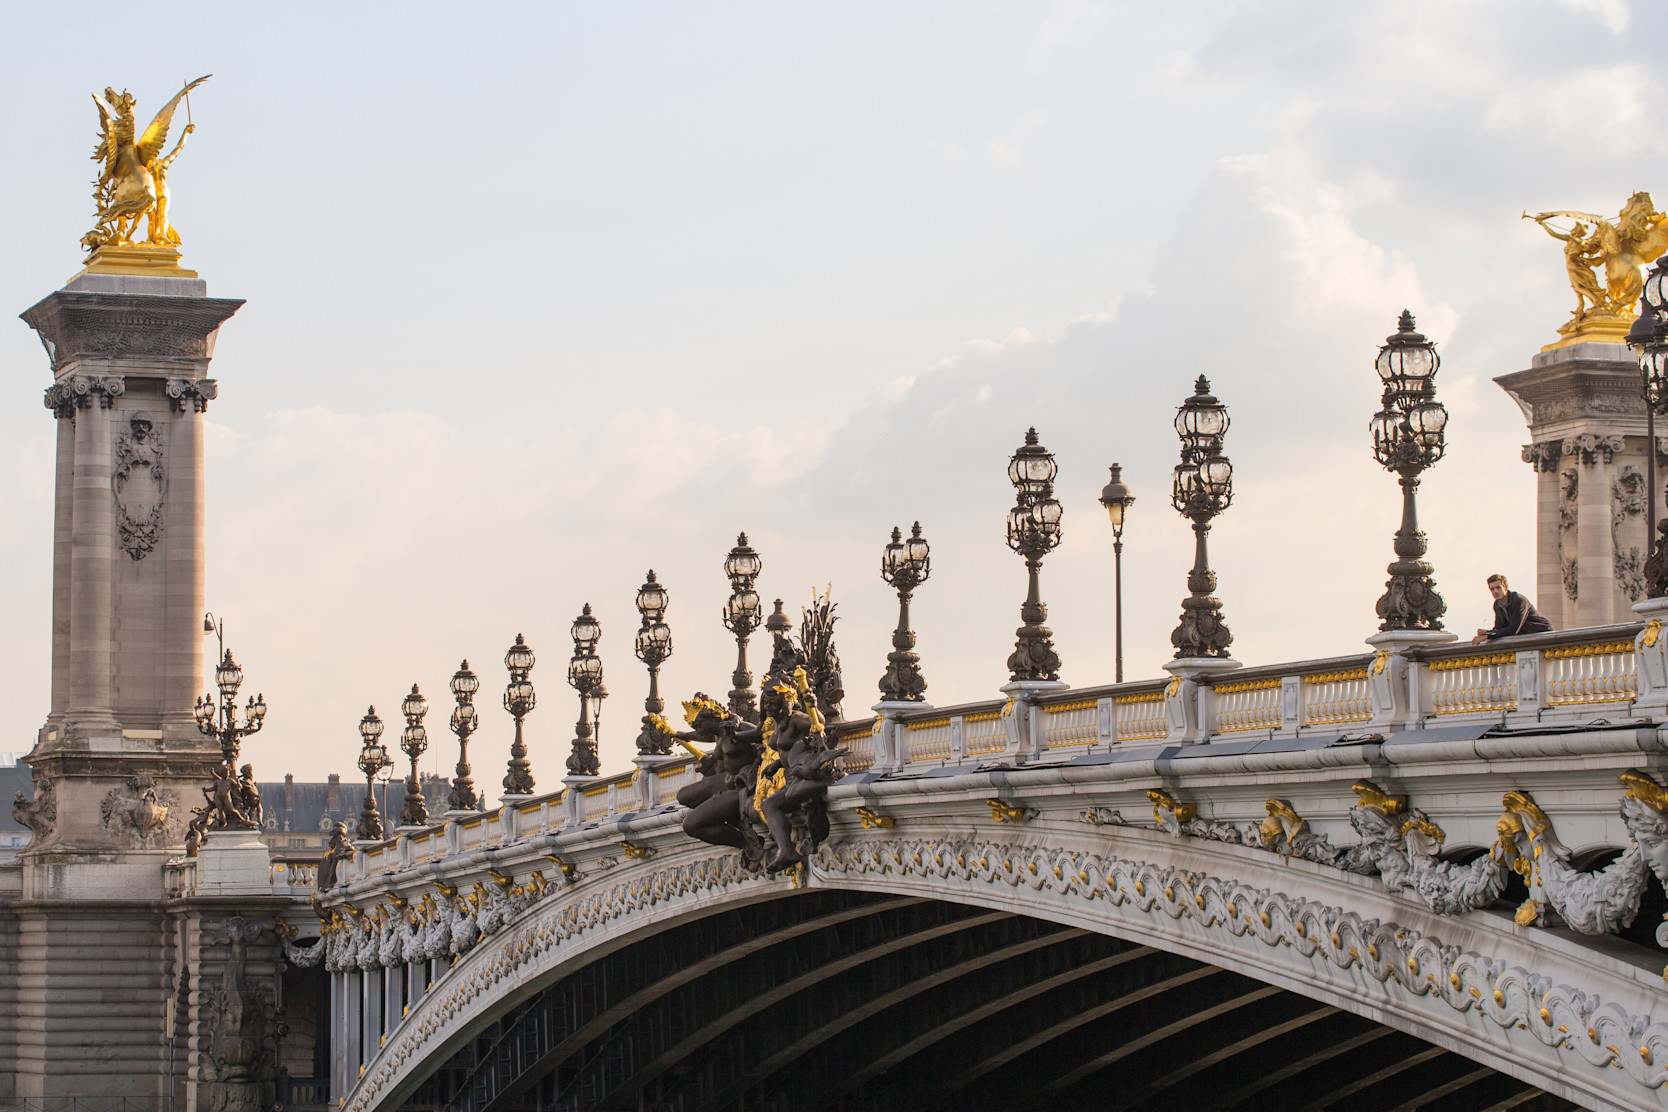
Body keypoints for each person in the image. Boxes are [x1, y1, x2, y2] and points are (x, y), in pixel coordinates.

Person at [1471, 574, 1552, 644]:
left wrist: (1487, 634)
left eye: (1498, 587)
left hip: (1541, 633)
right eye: (1492, 589)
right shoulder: (1497, 605)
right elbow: (1499, 628)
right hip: (1526, 637)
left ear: (1505, 587)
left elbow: (1513, 630)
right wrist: (1486, 634)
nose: (1495, 591)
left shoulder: (1519, 600)